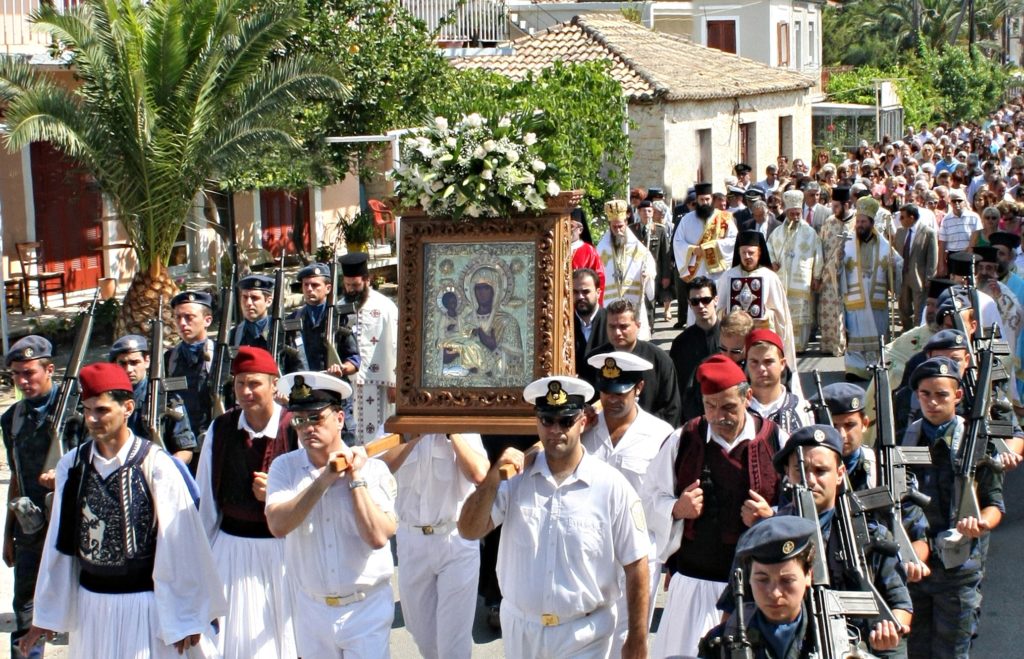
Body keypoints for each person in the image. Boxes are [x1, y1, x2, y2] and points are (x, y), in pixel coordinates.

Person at [21, 363, 225, 657]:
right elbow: (61, 543)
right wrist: (46, 614)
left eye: (102, 410)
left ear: (127, 407)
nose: (92, 418)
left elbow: (182, 545)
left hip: (146, 608)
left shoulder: (156, 465)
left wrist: (188, 616)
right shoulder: (72, 466)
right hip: (91, 609)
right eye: (88, 409)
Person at [458, 376, 651, 659]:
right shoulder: (514, 481)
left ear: (583, 422)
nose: (555, 430)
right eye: (547, 420)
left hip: (584, 633)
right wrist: (492, 478)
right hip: (522, 631)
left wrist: (637, 638)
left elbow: (637, 564)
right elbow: (468, 530)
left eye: (566, 420)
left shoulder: (611, 486)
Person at [644, 355, 783, 658]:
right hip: (693, 585)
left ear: (748, 397)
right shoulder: (683, 440)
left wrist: (770, 517)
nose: (719, 416)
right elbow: (648, 498)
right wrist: (677, 509)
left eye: (729, 407)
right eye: (710, 406)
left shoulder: (776, 440)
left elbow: (802, 508)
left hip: (756, 593)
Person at [265, 371, 398, 658]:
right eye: (300, 420)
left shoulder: (373, 470)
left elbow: (377, 536)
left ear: (339, 419)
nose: (307, 428)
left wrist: (355, 478)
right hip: (312, 610)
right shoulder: (284, 468)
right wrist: (324, 478)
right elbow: (278, 525)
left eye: (316, 418)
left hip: (365, 608)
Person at [768, 426, 912, 655]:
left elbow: (901, 605)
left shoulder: (869, 534)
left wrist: (889, 631)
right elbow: (739, 606)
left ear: (840, 473)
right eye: (801, 470)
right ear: (787, 472)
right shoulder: (768, 537)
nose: (811, 480)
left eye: (821, 470)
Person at [196, 346, 298, 658]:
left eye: (254, 383)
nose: (246, 391)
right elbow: (206, 497)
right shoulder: (222, 427)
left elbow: (316, 489)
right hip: (231, 551)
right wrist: (203, 559)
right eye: (240, 383)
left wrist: (278, 497)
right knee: (235, 642)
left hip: (284, 553)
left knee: (283, 640)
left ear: (273, 384)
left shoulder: (294, 427)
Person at [900, 357, 1004, 659]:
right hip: (916, 568)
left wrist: (981, 523)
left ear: (957, 396)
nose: (933, 403)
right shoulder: (905, 441)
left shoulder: (975, 443)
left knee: (952, 653)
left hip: (958, 570)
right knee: (916, 652)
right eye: (925, 395)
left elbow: (995, 504)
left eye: (941, 394)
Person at [580, 351, 673, 655]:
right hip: (590, 551)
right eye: (606, 392)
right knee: (588, 637)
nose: (612, 399)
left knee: (631, 641)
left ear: (639, 388)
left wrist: (671, 556)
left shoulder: (661, 435)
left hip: (640, 555)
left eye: (621, 392)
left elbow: (667, 498)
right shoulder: (584, 430)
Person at [379, 431, 489, 659]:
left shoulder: (462, 428)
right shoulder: (397, 427)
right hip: (412, 539)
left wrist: (452, 432)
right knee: (422, 634)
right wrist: (413, 436)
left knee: (454, 643)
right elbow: (377, 469)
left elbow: (479, 473)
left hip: (455, 540)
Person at [2, 337, 74, 659]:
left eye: (29, 373)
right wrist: (8, 535)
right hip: (31, 530)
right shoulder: (12, 419)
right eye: (16, 374)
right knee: (26, 612)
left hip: (73, 525)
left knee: (85, 611)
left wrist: (65, 479)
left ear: (49, 370)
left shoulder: (77, 411)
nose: (22, 381)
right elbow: (16, 476)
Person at [697, 516, 821, 659]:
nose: (775, 593)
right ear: (749, 578)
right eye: (762, 580)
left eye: (787, 580)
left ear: (808, 576)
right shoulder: (721, 642)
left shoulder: (831, 637)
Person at [582, 299, 682, 427]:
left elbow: (671, 408)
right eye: (612, 326)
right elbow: (587, 401)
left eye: (623, 327)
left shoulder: (659, 360)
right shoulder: (595, 360)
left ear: (638, 326)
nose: (617, 332)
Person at [339, 253, 399, 444]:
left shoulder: (385, 306)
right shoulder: (339, 307)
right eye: (347, 286)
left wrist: (395, 382)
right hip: (347, 384)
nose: (351, 291)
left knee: (378, 437)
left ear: (367, 280)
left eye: (355, 286)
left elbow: (396, 343)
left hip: (379, 383)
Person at [109, 333, 196, 466]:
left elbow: (185, 449)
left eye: (134, 362)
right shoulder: (108, 400)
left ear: (147, 361)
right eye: (123, 363)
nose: (129, 369)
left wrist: (166, 469)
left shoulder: (168, 399)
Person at [842, 196, 904, 379]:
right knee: (854, 334)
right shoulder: (847, 242)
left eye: (863, 221)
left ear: (871, 223)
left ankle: (875, 366)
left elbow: (898, 263)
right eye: (858, 221)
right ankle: (854, 368)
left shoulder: (884, 245)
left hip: (876, 299)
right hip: (855, 298)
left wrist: (894, 266)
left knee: (877, 332)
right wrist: (837, 263)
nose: (859, 225)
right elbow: (836, 268)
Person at [165, 290, 216, 471]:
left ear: (207, 321)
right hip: (180, 444)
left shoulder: (220, 356)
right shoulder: (169, 358)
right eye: (178, 318)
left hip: (213, 439)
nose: (182, 323)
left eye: (189, 317)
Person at [674, 182, 739, 325]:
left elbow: (734, 240)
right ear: (697, 200)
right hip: (696, 272)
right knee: (697, 305)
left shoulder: (725, 218)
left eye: (708, 199)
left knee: (718, 305)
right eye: (702, 200)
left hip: (718, 274)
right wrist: (692, 249)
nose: (705, 202)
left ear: (712, 199)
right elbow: (677, 242)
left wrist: (712, 246)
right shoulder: (686, 219)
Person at [767, 190, 823, 353]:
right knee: (782, 312)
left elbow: (818, 254)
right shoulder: (777, 233)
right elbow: (769, 248)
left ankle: (800, 346)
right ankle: (783, 344)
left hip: (802, 280)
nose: (796, 217)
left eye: (798, 214)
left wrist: (817, 276)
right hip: (781, 279)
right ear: (786, 212)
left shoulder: (810, 233)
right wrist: (772, 262)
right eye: (792, 214)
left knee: (800, 315)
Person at [597, 199, 657, 340]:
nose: (618, 230)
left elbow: (651, 268)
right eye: (614, 227)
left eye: (620, 226)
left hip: (633, 299)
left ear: (626, 223)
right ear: (609, 226)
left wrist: (647, 275)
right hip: (609, 302)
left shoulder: (638, 248)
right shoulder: (601, 249)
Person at [669, 276, 721, 422]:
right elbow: (676, 387)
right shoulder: (681, 343)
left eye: (706, 300)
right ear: (689, 304)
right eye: (695, 301)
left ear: (716, 300)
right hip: (693, 419)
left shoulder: (729, 336)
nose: (701, 306)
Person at [231, 274, 304, 374]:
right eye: (244, 297)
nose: (248, 303)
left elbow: (300, 369)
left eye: (254, 298)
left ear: (268, 301)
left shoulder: (287, 331)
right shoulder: (234, 335)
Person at [812, 382, 878, 491]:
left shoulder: (878, 467)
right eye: (833, 426)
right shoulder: (806, 472)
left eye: (849, 425)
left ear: (865, 424)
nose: (841, 435)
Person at [745, 329, 810, 433]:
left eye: (768, 362)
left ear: (782, 364)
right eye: (754, 362)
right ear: (747, 364)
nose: (761, 368)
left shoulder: (801, 408)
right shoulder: (737, 409)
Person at [818, 186, 857, 356]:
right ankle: (831, 344)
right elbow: (820, 248)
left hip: (851, 274)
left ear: (846, 204)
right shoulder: (829, 222)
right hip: (829, 275)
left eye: (836, 207)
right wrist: (819, 274)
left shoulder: (857, 222)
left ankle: (851, 343)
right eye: (832, 206)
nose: (833, 210)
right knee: (830, 310)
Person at [895, 204, 939, 332]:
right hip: (902, 276)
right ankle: (907, 331)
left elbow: (932, 257)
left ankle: (917, 333)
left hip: (919, 277)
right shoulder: (900, 232)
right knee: (903, 308)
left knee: (919, 308)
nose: (900, 220)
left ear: (911, 217)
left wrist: (929, 277)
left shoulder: (928, 233)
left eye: (902, 217)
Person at [573, 268, 608, 375]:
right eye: (575, 292)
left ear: (598, 293)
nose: (580, 297)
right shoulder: (563, 325)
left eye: (585, 292)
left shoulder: (611, 322)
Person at [570, 209, 605, 303]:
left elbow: (599, 278)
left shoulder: (589, 251)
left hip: (582, 300)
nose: (567, 230)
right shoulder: (556, 249)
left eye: (571, 226)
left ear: (580, 230)